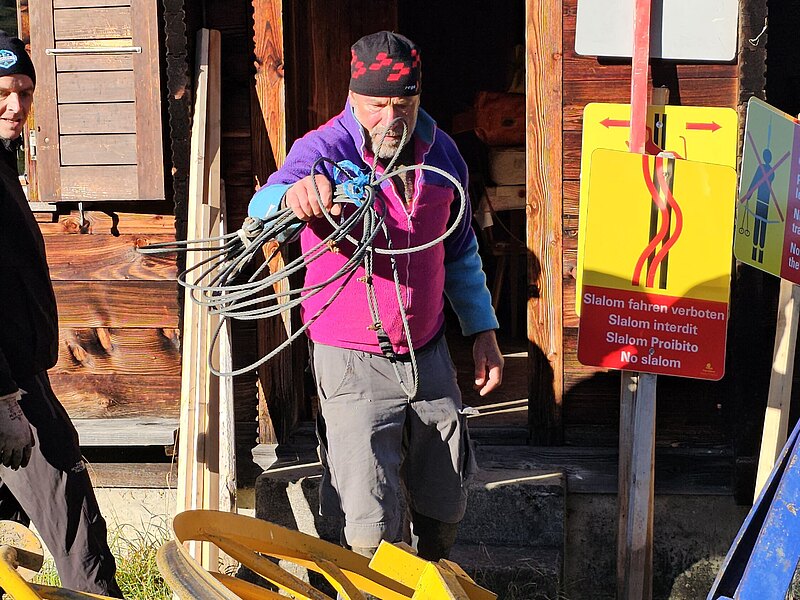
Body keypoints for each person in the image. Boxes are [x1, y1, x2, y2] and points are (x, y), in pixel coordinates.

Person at [249, 31, 504, 561]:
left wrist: (483, 331)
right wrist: (293, 196)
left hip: (429, 353)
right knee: (368, 517)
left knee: (445, 496)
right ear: (353, 96)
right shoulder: (322, 150)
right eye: (377, 106)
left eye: (403, 105)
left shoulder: (443, 154)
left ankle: (433, 577)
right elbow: (263, 204)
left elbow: (460, 251)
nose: (391, 119)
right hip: (351, 361)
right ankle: (365, 585)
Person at [0, 30, 123, 597]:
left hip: (21, 376)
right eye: (3, 92)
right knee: (72, 520)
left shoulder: (3, 166)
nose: (16, 105)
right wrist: (5, 399)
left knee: (16, 527)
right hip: (9, 388)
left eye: (25, 92)